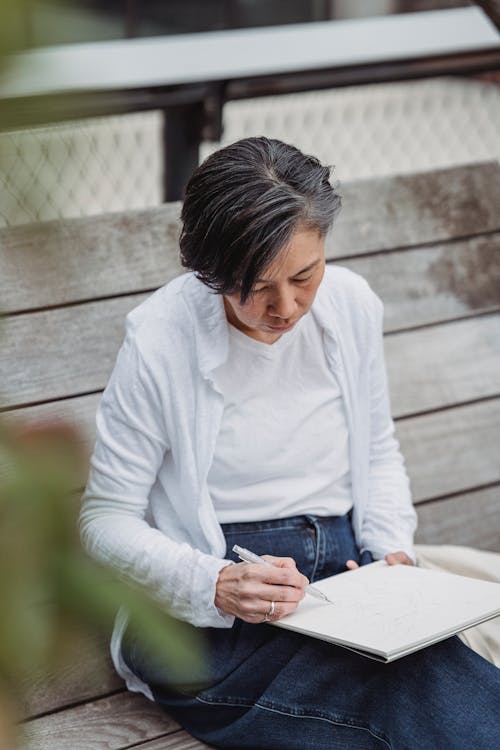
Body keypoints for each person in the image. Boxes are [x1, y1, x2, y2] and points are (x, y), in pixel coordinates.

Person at [80, 137, 500, 749]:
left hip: (342, 583)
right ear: (210, 272)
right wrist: (213, 582)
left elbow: (376, 447)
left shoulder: (351, 306)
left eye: (305, 275)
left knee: (428, 674)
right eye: (255, 286)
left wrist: (392, 553)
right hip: (208, 622)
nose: (287, 307)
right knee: (419, 691)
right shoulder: (158, 341)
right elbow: (104, 519)